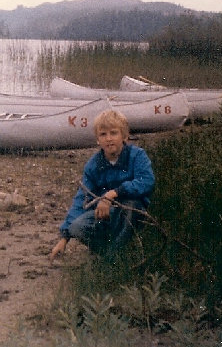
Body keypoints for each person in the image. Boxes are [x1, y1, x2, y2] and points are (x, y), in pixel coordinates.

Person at [50, 109, 155, 261]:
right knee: (76, 227)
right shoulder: (93, 165)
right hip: (106, 215)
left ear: (124, 136)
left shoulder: (137, 156)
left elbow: (146, 181)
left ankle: (113, 259)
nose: (109, 139)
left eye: (114, 133)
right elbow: (81, 200)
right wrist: (64, 238)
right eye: (103, 134)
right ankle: (109, 254)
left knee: (131, 207)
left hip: (133, 212)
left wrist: (113, 194)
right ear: (98, 140)